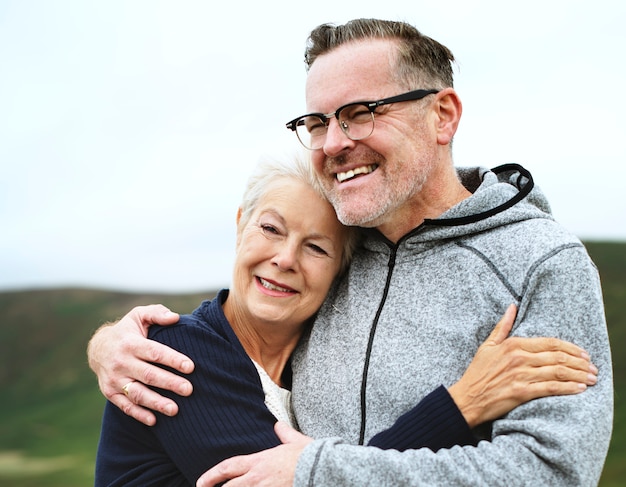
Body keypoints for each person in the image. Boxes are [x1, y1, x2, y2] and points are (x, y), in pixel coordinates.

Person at [89, 18, 613, 486]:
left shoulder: (539, 263)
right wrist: (109, 342)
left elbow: (553, 473)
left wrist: (318, 471)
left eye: (360, 113)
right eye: (317, 123)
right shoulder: (342, 245)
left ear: (443, 116)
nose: (334, 143)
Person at [94, 151, 592, 486]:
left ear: (341, 270)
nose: (285, 258)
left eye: (316, 247)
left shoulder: (310, 357)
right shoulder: (177, 356)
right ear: (240, 223)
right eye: (270, 228)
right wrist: (461, 404)